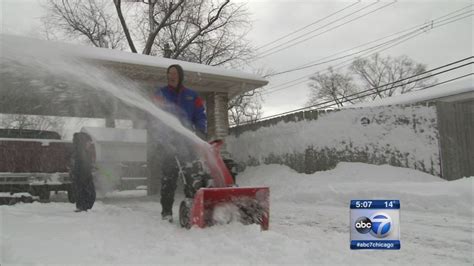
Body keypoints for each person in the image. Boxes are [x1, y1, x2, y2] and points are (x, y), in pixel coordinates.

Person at [150, 64, 207, 222]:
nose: (171, 76)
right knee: (169, 178)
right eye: (169, 73)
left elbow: (200, 115)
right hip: (168, 143)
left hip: (187, 143)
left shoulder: (191, 95)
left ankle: (193, 209)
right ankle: (166, 212)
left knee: (192, 176)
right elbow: (155, 118)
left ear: (180, 76)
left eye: (174, 73)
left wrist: (201, 130)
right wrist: (161, 139)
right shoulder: (160, 94)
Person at [71, 132, 96, 212]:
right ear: (84, 142)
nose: (89, 144)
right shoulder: (80, 153)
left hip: (85, 175)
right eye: (88, 143)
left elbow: (85, 164)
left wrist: (91, 166)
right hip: (82, 176)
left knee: (89, 193)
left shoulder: (84, 152)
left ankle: (83, 207)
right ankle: (82, 207)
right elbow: (80, 166)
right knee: (84, 191)